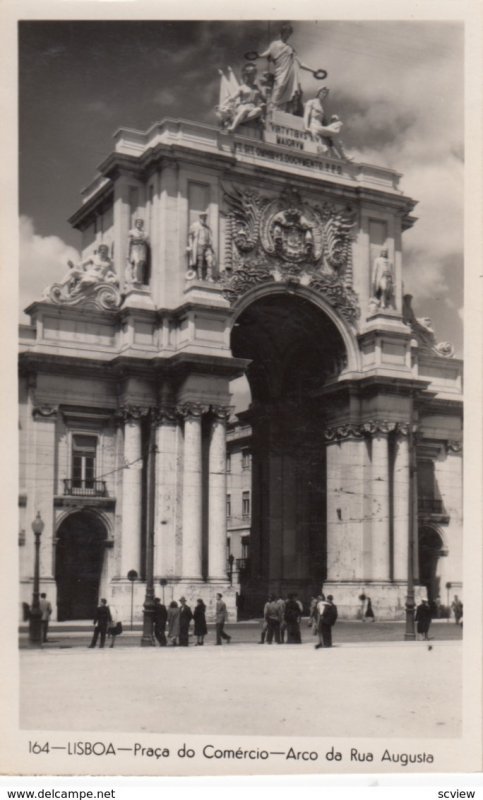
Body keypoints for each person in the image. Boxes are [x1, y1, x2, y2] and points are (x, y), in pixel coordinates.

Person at [258, 22, 317, 114]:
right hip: (280, 73)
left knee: (288, 94)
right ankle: (272, 109)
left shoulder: (290, 48)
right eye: (287, 33)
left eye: (289, 33)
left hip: (289, 75)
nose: (288, 35)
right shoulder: (274, 44)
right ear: (282, 32)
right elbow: (268, 53)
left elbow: (300, 63)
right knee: (279, 87)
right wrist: (259, 55)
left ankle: (280, 112)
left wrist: (313, 71)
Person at [303, 87, 350, 159]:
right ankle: (343, 156)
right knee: (334, 133)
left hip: (320, 127)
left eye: (325, 93)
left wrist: (333, 120)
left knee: (335, 134)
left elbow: (324, 122)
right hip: (314, 126)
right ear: (318, 93)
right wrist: (306, 127)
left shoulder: (321, 107)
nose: (324, 94)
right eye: (323, 92)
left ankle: (342, 156)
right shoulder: (311, 102)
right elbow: (306, 114)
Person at [226, 64, 266, 133]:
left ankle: (238, 120)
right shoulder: (242, 88)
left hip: (252, 108)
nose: (253, 76)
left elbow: (265, 100)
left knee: (259, 110)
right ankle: (233, 127)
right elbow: (232, 98)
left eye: (254, 74)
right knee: (245, 109)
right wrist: (224, 104)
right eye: (251, 74)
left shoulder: (257, 88)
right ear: (246, 76)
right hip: (242, 106)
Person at [186, 212, 216, 280]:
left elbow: (210, 237)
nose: (204, 219)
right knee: (200, 261)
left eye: (205, 218)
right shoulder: (195, 225)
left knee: (210, 260)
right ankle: (200, 277)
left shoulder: (207, 228)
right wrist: (190, 245)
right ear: (200, 218)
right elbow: (190, 236)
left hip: (208, 247)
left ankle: (209, 276)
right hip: (199, 245)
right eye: (203, 218)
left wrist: (212, 247)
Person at [127, 218, 149, 285]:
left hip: (142, 248)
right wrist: (127, 254)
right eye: (138, 222)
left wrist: (139, 239)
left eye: (141, 223)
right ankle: (135, 277)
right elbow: (129, 243)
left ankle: (140, 279)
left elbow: (145, 239)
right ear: (136, 223)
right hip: (135, 248)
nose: (139, 224)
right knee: (137, 262)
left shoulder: (145, 233)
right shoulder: (131, 232)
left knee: (141, 263)